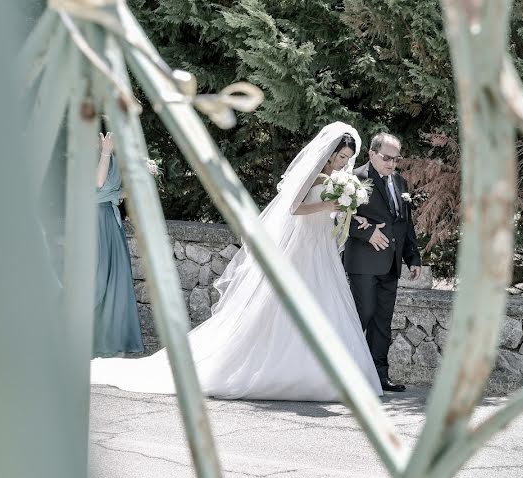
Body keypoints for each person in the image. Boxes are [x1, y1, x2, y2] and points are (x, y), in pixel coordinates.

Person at [91, 122, 383, 400]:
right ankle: (281, 370)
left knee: (327, 305)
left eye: (348, 158)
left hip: (322, 248)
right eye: (342, 157)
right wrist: (328, 204)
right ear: (330, 153)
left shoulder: (338, 178)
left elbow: (328, 213)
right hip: (302, 248)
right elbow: (294, 207)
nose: (346, 163)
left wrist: (344, 209)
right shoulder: (313, 173)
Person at [344, 133, 422, 392]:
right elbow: (339, 216)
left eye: (396, 159)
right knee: (361, 315)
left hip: (391, 264)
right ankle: (348, 373)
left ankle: (379, 376)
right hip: (363, 263)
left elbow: (404, 223)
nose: (392, 163)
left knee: (382, 321)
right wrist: (367, 232)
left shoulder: (401, 182)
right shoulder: (354, 179)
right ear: (372, 154)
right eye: (386, 158)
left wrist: (413, 257)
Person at [93, 131, 144, 357]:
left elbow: (115, 192)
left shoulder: (110, 157)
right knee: (98, 278)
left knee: (118, 278)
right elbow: (98, 182)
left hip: (111, 221)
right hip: (94, 220)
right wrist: (105, 152)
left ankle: (114, 338)